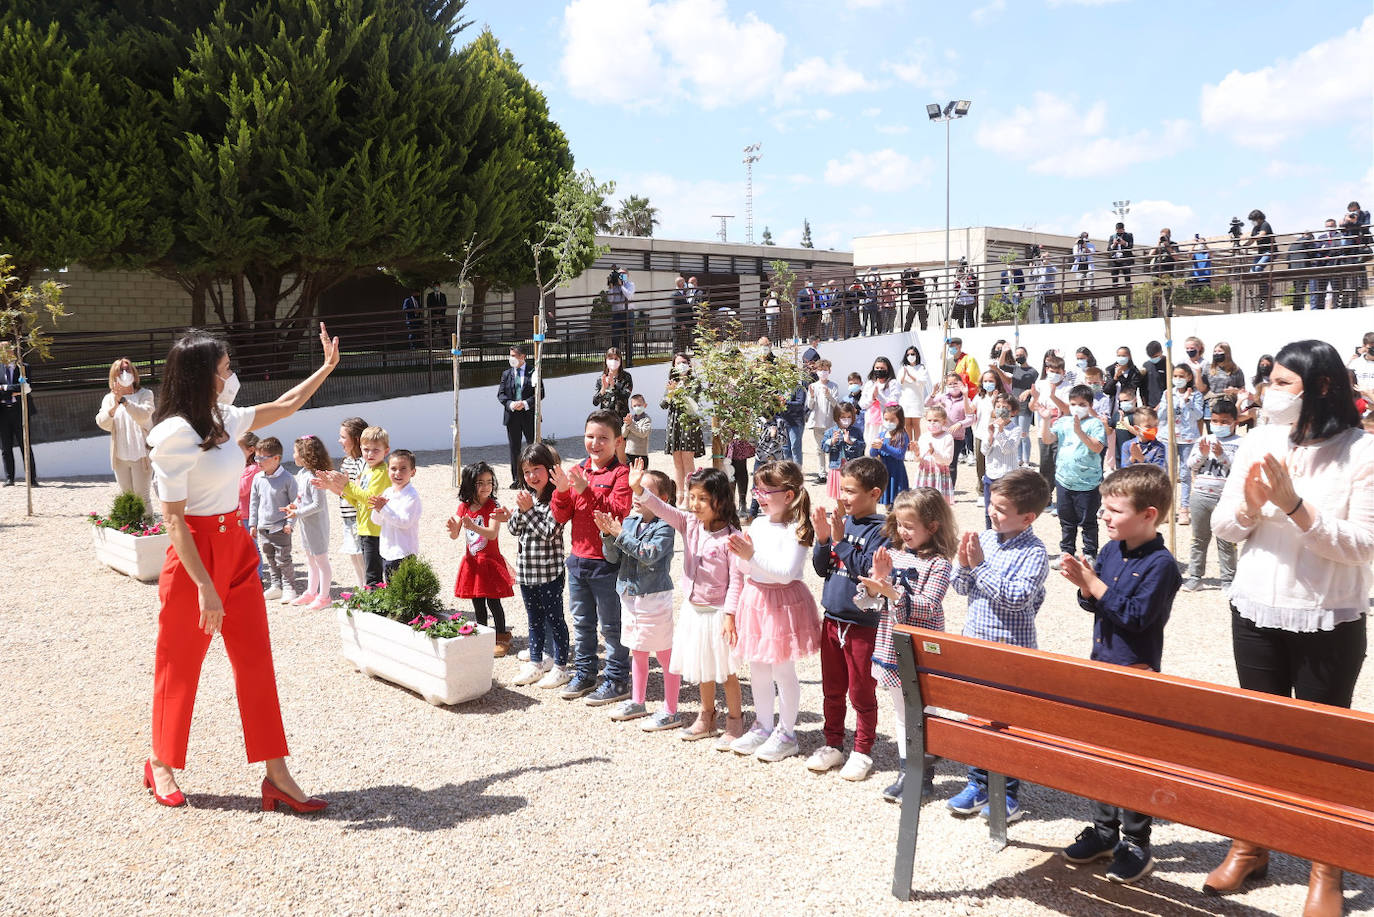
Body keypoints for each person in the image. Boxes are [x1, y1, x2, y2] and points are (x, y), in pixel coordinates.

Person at [143, 323, 337, 813]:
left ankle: (277, 776)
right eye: (225, 366)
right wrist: (206, 588)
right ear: (203, 374)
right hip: (194, 556)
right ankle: (161, 762)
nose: (232, 373)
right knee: (179, 663)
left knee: (255, 663)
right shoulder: (172, 436)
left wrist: (326, 367)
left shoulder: (225, 416)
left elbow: (288, 403)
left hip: (237, 549)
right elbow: (173, 520)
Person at [1208, 339, 1372, 914]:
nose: (1266, 393)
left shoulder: (1361, 452)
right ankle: (1251, 842)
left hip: (1328, 614)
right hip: (1255, 606)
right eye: (1268, 380)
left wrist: (1296, 505)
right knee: (1259, 735)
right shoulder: (1257, 439)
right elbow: (1226, 528)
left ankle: (1326, 866)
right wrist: (1252, 504)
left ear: (1321, 387)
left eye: (1281, 384)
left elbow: (1363, 547)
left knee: (1323, 745)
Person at [1058, 464, 1182, 886]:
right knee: (1099, 755)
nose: (1104, 517)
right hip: (1102, 667)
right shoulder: (1112, 549)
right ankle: (1104, 830)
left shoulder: (1162, 565)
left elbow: (1136, 617)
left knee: (1132, 761)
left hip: (1135, 673)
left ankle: (1135, 842)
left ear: (1149, 514)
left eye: (1114, 510)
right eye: (1103, 510)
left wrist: (1093, 583)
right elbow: (1097, 605)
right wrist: (1083, 586)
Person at [946, 469, 1051, 821]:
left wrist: (977, 568)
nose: (993, 513)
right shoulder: (987, 540)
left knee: (1006, 724)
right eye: (992, 504)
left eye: (1002, 509)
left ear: (1027, 517)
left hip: (1010, 652)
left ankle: (1006, 794)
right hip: (975, 645)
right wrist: (963, 565)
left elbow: (1017, 598)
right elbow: (961, 589)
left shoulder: (1035, 552)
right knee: (976, 717)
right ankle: (977, 783)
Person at [855, 488, 956, 801]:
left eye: (910, 526)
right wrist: (874, 588)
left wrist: (891, 591)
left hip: (920, 646)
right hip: (891, 644)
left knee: (922, 710)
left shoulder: (939, 564)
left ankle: (923, 773)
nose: (902, 531)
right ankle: (907, 770)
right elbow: (865, 604)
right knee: (901, 711)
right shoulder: (894, 554)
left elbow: (928, 604)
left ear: (933, 526)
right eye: (899, 524)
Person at [635, 466, 747, 748]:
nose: (693, 504)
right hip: (694, 611)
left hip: (720, 614)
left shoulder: (732, 538)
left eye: (701, 498)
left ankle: (735, 721)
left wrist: (731, 616)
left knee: (727, 672)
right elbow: (662, 508)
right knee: (702, 667)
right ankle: (707, 716)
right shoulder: (690, 524)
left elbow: (737, 581)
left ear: (719, 501)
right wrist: (639, 490)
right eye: (692, 496)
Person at [724, 460, 820, 763]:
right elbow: (745, 568)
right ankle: (764, 725)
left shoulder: (799, 528)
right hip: (756, 599)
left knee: (782, 668)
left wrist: (751, 555)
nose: (759, 497)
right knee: (758, 667)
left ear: (788, 495)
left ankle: (787, 733)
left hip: (782, 602)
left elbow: (787, 573)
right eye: (757, 490)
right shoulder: (759, 523)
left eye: (766, 491)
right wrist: (742, 555)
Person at [807, 456, 890, 781]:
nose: (843, 497)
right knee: (833, 688)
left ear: (874, 493)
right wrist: (824, 539)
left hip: (862, 626)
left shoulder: (882, 531)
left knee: (860, 691)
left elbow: (866, 571)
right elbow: (822, 568)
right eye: (842, 489)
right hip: (832, 618)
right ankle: (833, 743)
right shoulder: (844, 522)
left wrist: (839, 541)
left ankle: (862, 749)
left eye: (851, 491)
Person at [553, 410, 634, 703]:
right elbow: (562, 515)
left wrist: (585, 490)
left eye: (603, 438)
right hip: (577, 560)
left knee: (611, 625)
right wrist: (562, 492)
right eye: (590, 436)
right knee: (582, 622)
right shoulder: (578, 470)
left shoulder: (621, 474)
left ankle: (617, 679)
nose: (595, 443)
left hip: (607, 563)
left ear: (617, 441)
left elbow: (616, 512)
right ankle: (585, 673)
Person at [595, 468, 681, 731]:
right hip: (629, 595)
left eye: (642, 490)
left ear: (662, 498)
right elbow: (613, 558)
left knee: (665, 653)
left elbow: (648, 554)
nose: (635, 494)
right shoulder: (630, 521)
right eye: (634, 488)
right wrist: (608, 535)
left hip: (654, 597)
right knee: (638, 650)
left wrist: (619, 534)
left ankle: (671, 709)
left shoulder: (665, 526)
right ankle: (638, 701)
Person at [505, 442, 571, 688]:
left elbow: (548, 532)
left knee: (555, 619)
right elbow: (513, 529)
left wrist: (529, 511)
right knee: (533, 619)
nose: (532, 476)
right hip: (526, 572)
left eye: (537, 470)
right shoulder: (528, 497)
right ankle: (536, 662)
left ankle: (561, 666)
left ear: (550, 470)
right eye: (526, 472)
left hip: (549, 573)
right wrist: (522, 511)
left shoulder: (557, 499)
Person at [449, 460, 515, 656]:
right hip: (473, 563)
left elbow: (492, 533)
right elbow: (455, 534)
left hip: (490, 562)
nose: (486, 486)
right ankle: (482, 635)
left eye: (489, 482)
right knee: (477, 602)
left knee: (494, 602)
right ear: (470, 484)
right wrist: (453, 528)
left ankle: (501, 635)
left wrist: (472, 526)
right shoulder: (464, 507)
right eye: (480, 483)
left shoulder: (494, 506)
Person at [316, 426, 390, 587]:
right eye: (366, 449)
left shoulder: (380, 472)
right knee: (370, 573)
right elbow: (357, 501)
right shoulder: (367, 471)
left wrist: (346, 485)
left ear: (386, 451)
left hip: (375, 529)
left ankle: (376, 607)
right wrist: (336, 487)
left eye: (375, 450)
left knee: (373, 576)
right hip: (364, 527)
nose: (370, 454)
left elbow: (370, 499)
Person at [1041, 384, 1106, 565]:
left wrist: (1080, 432)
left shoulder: (1095, 423)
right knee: (1066, 520)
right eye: (1073, 403)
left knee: (1088, 521)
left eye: (1082, 403)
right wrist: (1046, 421)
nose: (1077, 407)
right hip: (1064, 480)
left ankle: (1090, 554)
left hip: (1088, 483)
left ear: (1090, 405)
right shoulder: (1063, 422)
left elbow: (1097, 446)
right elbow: (1048, 439)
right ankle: (1067, 553)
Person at [1183, 399, 1241, 592]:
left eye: (1224, 422)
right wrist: (1203, 454)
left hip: (1226, 498)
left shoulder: (1240, 443)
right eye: (1215, 421)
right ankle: (1195, 576)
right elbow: (1191, 465)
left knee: (1226, 539)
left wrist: (1223, 455)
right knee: (1199, 538)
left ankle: (1228, 580)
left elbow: (1240, 469)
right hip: (1200, 495)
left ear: (1235, 422)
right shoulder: (1203, 440)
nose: (1219, 425)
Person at [95, 358, 156, 504]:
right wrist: (115, 405)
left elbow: (143, 416)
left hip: (141, 455)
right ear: (113, 376)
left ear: (134, 373)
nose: (124, 373)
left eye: (127, 370)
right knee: (127, 497)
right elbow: (102, 422)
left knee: (142, 498)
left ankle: (147, 526)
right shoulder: (109, 398)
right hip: (120, 456)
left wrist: (125, 401)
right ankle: (129, 527)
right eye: (120, 371)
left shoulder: (145, 394)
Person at [284, 435, 333, 609]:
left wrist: (297, 512)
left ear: (305, 454)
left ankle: (325, 596)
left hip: (316, 526)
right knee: (310, 560)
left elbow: (318, 505)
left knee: (321, 560)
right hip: (306, 525)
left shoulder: (315, 476)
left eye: (295, 452)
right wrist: (294, 508)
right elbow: (301, 498)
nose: (293, 455)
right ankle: (311, 592)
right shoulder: (302, 473)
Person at [248, 437, 299, 603]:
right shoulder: (258, 478)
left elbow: (295, 504)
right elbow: (254, 502)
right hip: (263, 527)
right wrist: (253, 524)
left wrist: (290, 524)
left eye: (262, 458)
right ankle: (276, 585)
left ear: (276, 458)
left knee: (283, 559)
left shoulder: (288, 479)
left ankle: (289, 587)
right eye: (256, 458)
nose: (258, 462)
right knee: (270, 557)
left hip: (281, 527)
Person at [1158, 364, 1205, 524]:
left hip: (1187, 437)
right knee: (1168, 473)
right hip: (1168, 436)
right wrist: (1169, 404)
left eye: (1181, 376)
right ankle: (1168, 508)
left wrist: (1187, 402)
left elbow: (1198, 415)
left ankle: (1184, 508)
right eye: (1175, 376)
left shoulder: (1196, 395)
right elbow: (1160, 415)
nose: (1177, 379)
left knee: (1184, 473)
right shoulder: (1167, 393)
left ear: (1188, 377)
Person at [662, 354, 705, 507]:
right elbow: (663, 404)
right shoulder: (671, 382)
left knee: (688, 461)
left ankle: (690, 496)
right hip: (674, 423)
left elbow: (694, 402)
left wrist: (681, 390)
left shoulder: (695, 382)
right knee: (677, 463)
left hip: (688, 422)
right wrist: (670, 391)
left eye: (684, 362)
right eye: (678, 363)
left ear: (689, 364)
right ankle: (679, 497)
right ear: (673, 366)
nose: (681, 365)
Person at [373, 449, 421, 582]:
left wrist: (383, 508)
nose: (397, 473)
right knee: (391, 589)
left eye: (403, 469)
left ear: (413, 472)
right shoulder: (388, 492)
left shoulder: (411, 496)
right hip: (387, 550)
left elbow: (404, 522)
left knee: (403, 592)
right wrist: (377, 509)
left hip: (404, 552)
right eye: (393, 469)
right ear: (388, 470)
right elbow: (376, 521)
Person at [497, 344, 540, 490]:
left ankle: (534, 478)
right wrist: (510, 404)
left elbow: (540, 393)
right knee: (514, 448)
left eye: (514, 356)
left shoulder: (533, 371)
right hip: (512, 416)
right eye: (510, 356)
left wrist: (525, 403)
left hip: (528, 415)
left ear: (523, 357)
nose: (511, 359)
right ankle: (517, 479)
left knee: (532, 447)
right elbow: (501, 395)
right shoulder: (506, 374)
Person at [334, 417, 369, 587]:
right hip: (347, 516)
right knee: (354, 557)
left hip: (359, 516)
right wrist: (330, 484)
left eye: (342, 437)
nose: (339, 440)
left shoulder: (363, 463)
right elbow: (344, 492)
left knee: (362, 556)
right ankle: (361, 589)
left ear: (355, 439)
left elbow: (357, 493)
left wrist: (341, 485)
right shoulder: (347, 462)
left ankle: (368, 590)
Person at [982, 392, 1023, 529]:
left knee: (1008, 509)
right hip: (991, 474)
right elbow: (984, 450)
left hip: (1007, 476)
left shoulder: (1016, 429)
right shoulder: (990, 426)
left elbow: (1008, 449)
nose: (1001, 410)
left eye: (1005, 407)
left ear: (1013, 412)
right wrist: (990, 436)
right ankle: (990, 536)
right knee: (989, 509)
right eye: (998, 406)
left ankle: (1008, 535)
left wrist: (1000, 431)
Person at [593, 347, 634, 462]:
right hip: (606, 420)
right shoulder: (601, 378)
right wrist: (603, 389)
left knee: (620, 452)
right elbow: (595, 401)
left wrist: (613, 385)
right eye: (610, 358)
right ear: (606, 360)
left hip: (621, 419)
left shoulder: (626, 377)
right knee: (607, 452)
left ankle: (623, 477)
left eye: (616, 358)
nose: (613, 361)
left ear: (620, 360)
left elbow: (625, 396)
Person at [0, 357, 36, 486]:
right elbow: (17, 389)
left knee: (25, 445)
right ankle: (10, 478)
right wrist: (12, 391)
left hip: (20, 411)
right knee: (5, 447)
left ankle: (31, 479)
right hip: (3, 412)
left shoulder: (24, 367)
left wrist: (4, 388)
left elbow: (25, 387)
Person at [806, 359, 841, 484]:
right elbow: (809, 406)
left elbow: (836, 405)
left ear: (829, 371)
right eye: (820, 370)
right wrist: (811, 396)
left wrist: (828, 395)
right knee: (819, 449)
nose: (822, 372)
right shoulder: (813, 386)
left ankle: (833, 472)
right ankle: (822, 474)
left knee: (833, 447)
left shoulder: (833, 386)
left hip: (831, 423)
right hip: (817, 423)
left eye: (825, 370)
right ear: (816, 371)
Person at [821, 402, 865, 501]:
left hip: (852, 468)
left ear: (853, 417)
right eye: (843, 417)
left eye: (849, 417)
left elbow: (862, 447)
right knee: (840, 496)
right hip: (837, 469)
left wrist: (850, 442)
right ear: (837, 417)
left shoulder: (856, 432)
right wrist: (832, 441)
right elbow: (824, 448)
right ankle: (841, 515)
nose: (846, 419)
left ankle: (851, 515)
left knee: (852, 494)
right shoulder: (830, 432)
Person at [869, 405, 909, 512]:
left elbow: (900, 454)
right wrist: (874, 447)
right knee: (886, 499)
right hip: (884, 471)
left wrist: (883, 446)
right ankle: (889, 517)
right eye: (886, 419)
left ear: (899, 420)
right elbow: (873, 454)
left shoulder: (902, 435)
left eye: (892, 420)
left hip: (896, 472)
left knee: (898, 500)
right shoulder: (882, 434)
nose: (888, 422)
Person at [914, 404, 956, 505]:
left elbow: (948, 460)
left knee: (937, 504)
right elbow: (919, 459)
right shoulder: (924, 437)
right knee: (922, 502)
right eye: (929, 420)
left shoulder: (947, 437)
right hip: (924, 474)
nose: (932, 423)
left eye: (936, 420)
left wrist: (934, 452)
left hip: (939, 475)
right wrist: (916, 452)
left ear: (944, 422)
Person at [897, 346, 932, 444]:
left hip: (916, 400)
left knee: (916, 424)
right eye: (908, 354)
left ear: (917, 355)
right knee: (907, 424)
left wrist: (910, 376)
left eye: (912, 354)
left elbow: (922, 381)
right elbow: (899, 382)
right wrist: (905, 375)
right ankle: (908, 446)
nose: (910, 356)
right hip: (905, 400)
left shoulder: (921, 368)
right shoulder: (903, 368)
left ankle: (917, 446)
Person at [622, 394, 651, 468]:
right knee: (629, 475)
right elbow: (623, 434)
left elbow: (643, 433)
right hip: (629, 453)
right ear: (631, 407)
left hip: (641, 454)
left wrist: (631, 424)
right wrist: (626, 424)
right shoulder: (630, 419)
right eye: (634, 406)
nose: (637, 407)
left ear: (645, 405)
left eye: (639, 405)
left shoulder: (646, 419)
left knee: (642, 476)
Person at [1030, 253, 1057, 324]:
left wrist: (1047, 264)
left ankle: (1050, 326)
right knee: (1040, 312)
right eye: (1043, 257)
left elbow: (1054, 271)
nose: (1044, 258)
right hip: (1038, 292)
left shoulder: (1051, 267)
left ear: (1049, 259)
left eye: (1046, 257)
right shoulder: (1038, 267)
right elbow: (1031, 278)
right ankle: (1042, 326)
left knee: (1048, 311)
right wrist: (1031, 270)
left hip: (1048, 292)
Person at [1107, 222, 1134, 289]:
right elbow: (1109, 249)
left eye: (1120, 229)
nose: (1118, 231)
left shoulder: (1129, 235)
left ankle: (1128, 295)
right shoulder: (1112, 237)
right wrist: (1114, 244)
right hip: (1115, 259)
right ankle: (1115, 296)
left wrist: (1124, 243)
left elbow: (1131, 246)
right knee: (1114, 280)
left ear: (1123, 229)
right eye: (1117, 229)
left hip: (1125, 258)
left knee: (1127, 278)